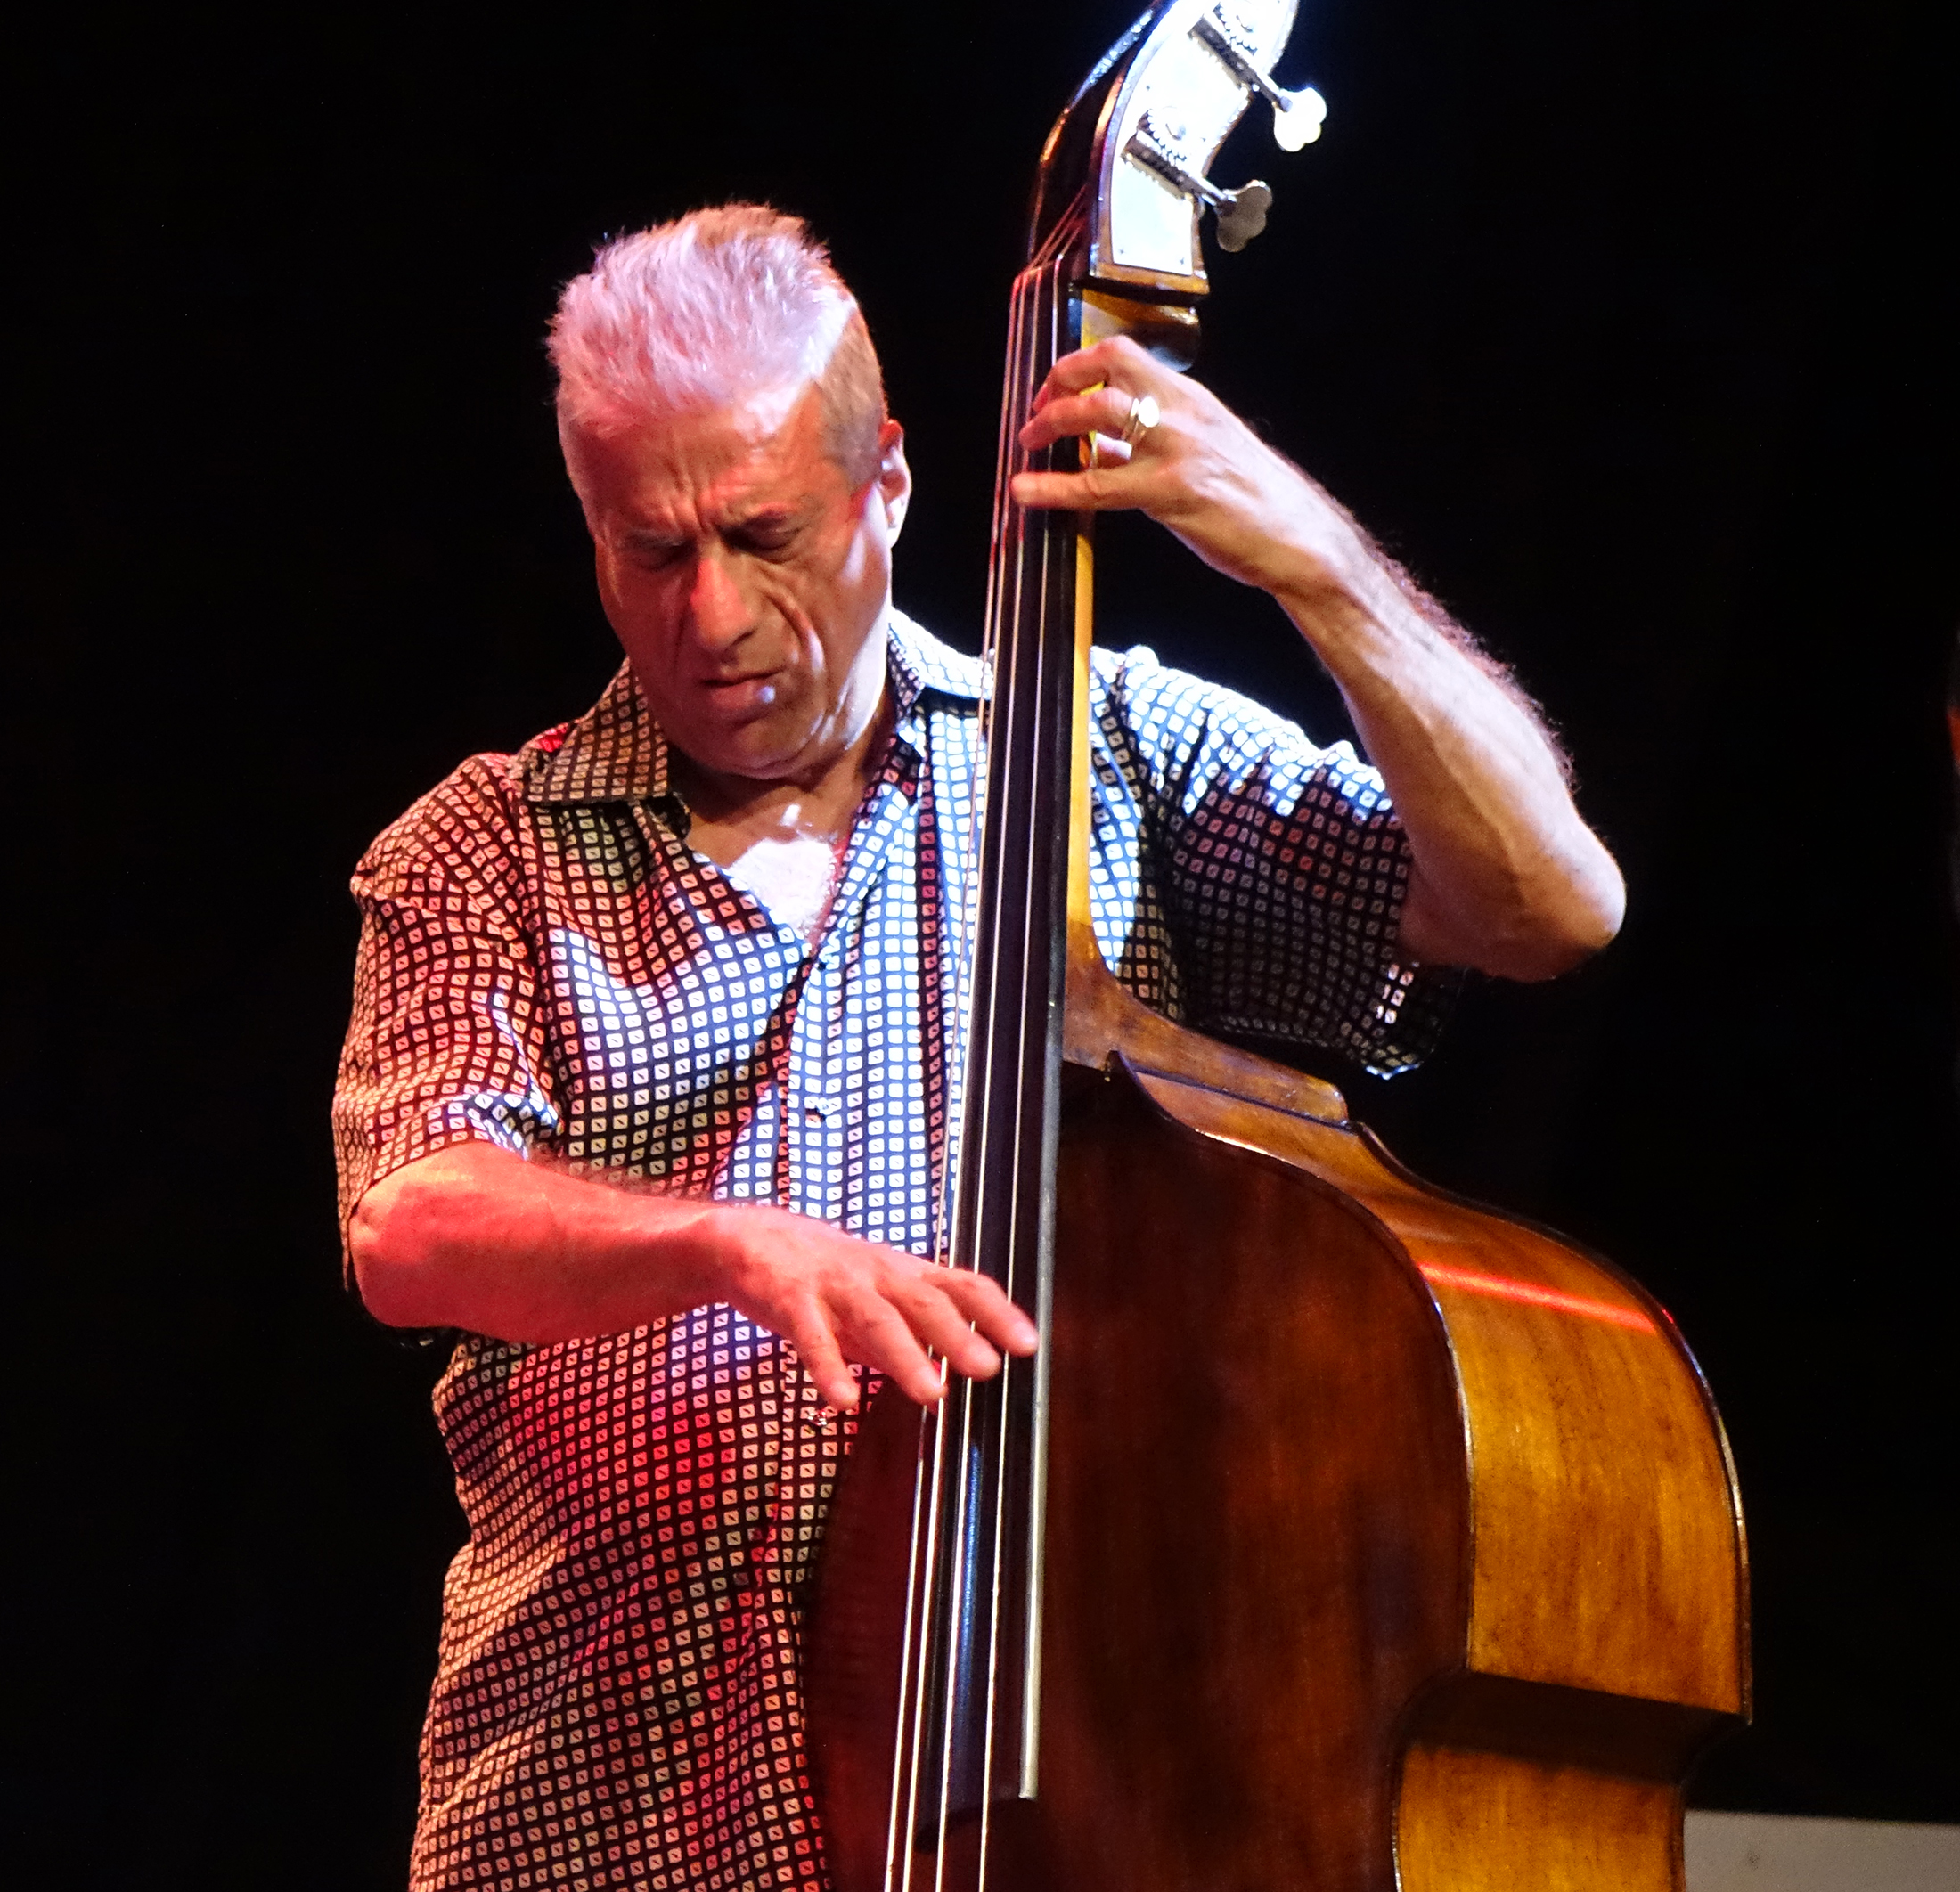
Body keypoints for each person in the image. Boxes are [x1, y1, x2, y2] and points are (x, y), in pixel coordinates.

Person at [333, 204, 1622, 1891]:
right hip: (602, 1818)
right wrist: (726, 1244)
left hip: (1051, 1810)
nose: (712, 613)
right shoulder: (484, 844)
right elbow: (413, 1221)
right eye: (652, 549)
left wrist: (1312, 556)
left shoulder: (1093, 755)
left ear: (887, 487)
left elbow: (1548, 906)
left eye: (764, 531)